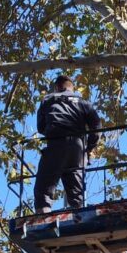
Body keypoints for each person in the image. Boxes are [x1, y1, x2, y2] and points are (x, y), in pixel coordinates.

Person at [34, 75, 101, 213]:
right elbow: (97, 128)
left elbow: (41, 127)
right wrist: (88, 149)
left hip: (56, 144)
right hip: (77, 148)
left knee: (44, 187)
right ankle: (79, 216)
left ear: (57, 87)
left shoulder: (48, 99)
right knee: (76, 191)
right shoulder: (84, 102)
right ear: (72, 88)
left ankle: (42, 217)